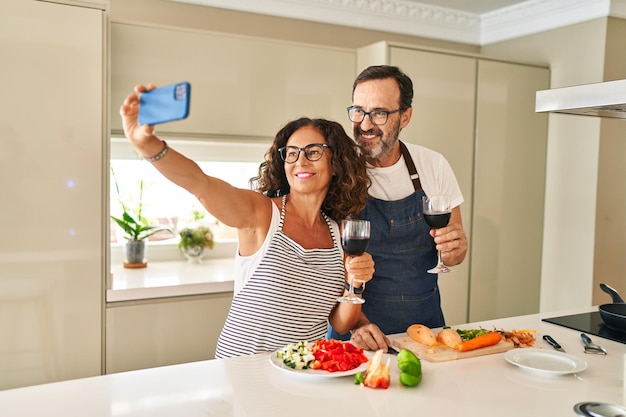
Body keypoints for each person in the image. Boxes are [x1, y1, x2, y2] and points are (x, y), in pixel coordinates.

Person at [120, 84, 374, 358]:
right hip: (241, 375)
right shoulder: (261, 213)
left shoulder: (339, 235)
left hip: (301, 377)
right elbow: (200, 184)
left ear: (335, 164)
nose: (300, 161)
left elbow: (339, 322)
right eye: (291, 153)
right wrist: (147, 145)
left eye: (313, 152)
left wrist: (355, 283)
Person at [329, 65, 468, 351]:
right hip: (359, 335)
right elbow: (327, 271)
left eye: (379, 113)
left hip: (424, 331)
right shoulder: (336, 173)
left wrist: (457, 249)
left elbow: (454, 254)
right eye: (358, 110)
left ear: (405, 116)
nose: (365, 124)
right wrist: (359, 324)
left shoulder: (433, 165)